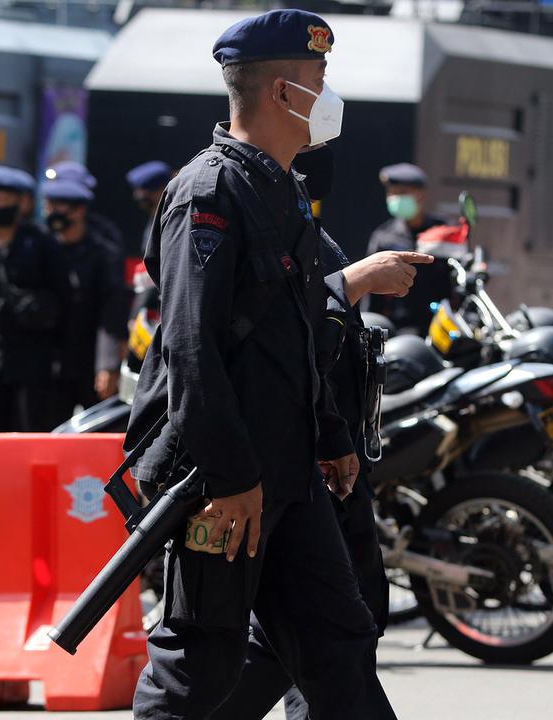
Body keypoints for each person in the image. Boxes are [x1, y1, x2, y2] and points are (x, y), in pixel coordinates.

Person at [123, 11, 400, 718]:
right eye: (319, 79)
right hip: (226, 478)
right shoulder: (209, 192)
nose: (328, 93)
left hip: (291, 471)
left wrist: (333, 437)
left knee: (338, 649)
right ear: (283, 92)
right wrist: (232, 476)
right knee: (202, 659)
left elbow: (304, 337)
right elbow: (191, 349)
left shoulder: (283, 189)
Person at [213, 143, 427, 717]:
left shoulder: (310, 235)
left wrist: (336, 440)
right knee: (306, 635)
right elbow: (266, 340)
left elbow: (316, 362)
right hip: (281, 465)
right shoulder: (224, 209)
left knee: (337, 633)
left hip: (324, 457)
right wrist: (352, 283)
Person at [0, 166, 63, 432]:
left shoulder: (42, 244)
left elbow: (62, 296)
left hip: (31, 361)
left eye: (7, 200)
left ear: (23, 203)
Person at [42, 175, 128, 426]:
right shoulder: (44, 247)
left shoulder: (103, 254)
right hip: (51, 362)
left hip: (89, 361)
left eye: (58, 206)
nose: (51, 213)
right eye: (49, 205)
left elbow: (111, 312)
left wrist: (108, 365)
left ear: (79, 210)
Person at [364, 162, 452, 336]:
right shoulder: (384, 236)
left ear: (421, 195)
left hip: (441, 327)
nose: (395, 198)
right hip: (399, 330)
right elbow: (371, 292)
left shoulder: (443, 231)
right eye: (392, 193)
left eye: (402, 193)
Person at [125, 160, 172, 255]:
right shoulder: (154, 215)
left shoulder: (172, 219)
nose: (139, 196)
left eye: (147, 193)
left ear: (163, 189)